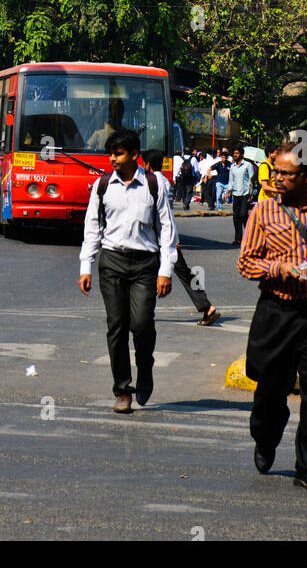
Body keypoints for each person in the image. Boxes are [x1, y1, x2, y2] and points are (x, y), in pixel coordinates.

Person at [238, 142, 307, 492]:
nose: (278, 179)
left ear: (305, 177)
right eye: (276, 172)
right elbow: (246, 263)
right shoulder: (263, 212)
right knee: (271, 389)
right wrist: (278, 267)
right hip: (278, 311)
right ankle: (265, 436)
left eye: (286, 174)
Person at [79, 130, 177, 412]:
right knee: (117, 327)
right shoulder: (103, 185)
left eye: (118, 154)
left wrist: (166, 270)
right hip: (112, 262)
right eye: (110, 154)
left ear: (135, 155)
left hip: (145, 264)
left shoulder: (154, 183)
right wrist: (86, 266)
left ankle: (145, 367)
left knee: (142, 324)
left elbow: (167, 227)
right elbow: (92, 228)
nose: (112, 159)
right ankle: (122, 390)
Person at [141, 150, 219, 323]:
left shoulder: (154, 183)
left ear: (147, 165)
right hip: (167, 237)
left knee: (149, 274)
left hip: (162, 239)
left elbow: (164, 216)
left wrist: (173, 239)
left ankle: (139, 310)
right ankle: (206, 305)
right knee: (184, 274)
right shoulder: (164, 182)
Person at [227, 148, 254, 247]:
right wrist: (228, 192)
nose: (235, 155)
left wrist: (251, 195)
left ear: (242, 155)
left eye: (237, 153)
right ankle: (238, 239)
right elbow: (231, 181)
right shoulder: (232, 167)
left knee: (243, 214)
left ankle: (250, 236)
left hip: (245, 194)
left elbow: (252, 180)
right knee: (236, 217)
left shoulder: (248, 165)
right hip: (236, 194)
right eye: (234, 153)